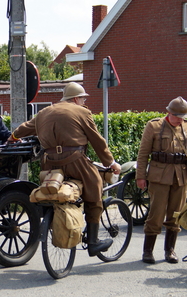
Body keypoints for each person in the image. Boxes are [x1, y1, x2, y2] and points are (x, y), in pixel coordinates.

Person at [11, 82, 121, 257]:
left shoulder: (43, 112)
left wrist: (13, 137)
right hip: (75, 161)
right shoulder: (82, 112)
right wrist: (111, 163)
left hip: (49, 164)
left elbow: (24, 129)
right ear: (76, 98)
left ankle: (51, 220)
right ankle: (93, 242)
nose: (84, 102)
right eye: (83, 99)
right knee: (95, 189)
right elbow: (97, 140)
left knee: (52, 192)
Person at [136, 96, 187, 264]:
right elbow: (143, 154)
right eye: (176, 116)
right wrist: (140, 176)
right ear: (169, 112)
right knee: (156, 214)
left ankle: (170, 250)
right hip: (159, 177)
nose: (179, 120)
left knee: (175, 215)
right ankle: (148, 251)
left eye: (182, 117)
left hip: (181, 177)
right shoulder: (154, 126)